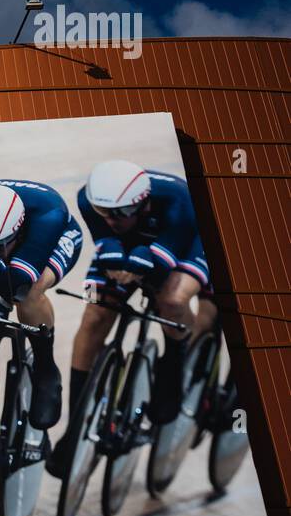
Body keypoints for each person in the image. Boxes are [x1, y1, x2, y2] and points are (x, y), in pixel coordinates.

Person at [48, 159, 217, 477]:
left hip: (184, 242)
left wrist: (137, 269)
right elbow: (107, 241)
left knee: (170, 299)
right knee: (95, 314)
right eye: (104, 212)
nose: (111, 219)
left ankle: (175, 363)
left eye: (121, 212)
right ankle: (76, 424)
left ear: (144, 203)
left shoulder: (179, 200)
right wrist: (116, 260)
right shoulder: (88, 199)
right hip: (133, 244)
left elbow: (161, 264)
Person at [0, 180, 83, 430]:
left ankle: (46, 368)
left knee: (31, 293)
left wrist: (0, 276)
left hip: (50, 241)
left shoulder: (48, 215)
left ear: (18, 230)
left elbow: (20, 285)